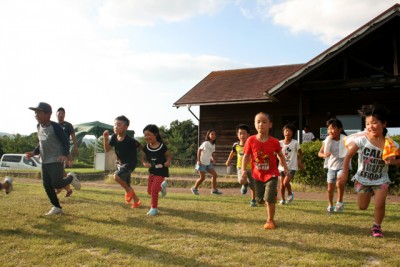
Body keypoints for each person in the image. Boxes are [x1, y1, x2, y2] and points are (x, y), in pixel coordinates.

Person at [341, 104, 396, 237]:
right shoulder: (362, 140)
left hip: (380, 179)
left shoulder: (390, 144)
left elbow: (398, 159)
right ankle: (369, 193)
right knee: (362, 206)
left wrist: (393, 161)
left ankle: (376, 227)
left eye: (374, 123)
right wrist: (345, 172)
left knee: (380, 203)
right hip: (363, 179)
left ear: (384, 124)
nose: (370, 126)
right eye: (367, 123)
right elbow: (348, 155)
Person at [25, 102, 81, 216]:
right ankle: (57, 207)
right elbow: (40, 143)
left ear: (48, 114)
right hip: (44, 161)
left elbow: (65, 141)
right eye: (35, 113)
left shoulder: (56, 127)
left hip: (56, 159)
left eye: (38, 113)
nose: (36, 115)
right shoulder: (38, 126)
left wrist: (65, 155)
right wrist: (33, 152)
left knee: (56, 183)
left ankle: (71, 177)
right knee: (47, 185)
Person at [242, 112, 289, 230]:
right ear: (254, 124)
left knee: (269, 198)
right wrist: (243, 170)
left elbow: (280, 155)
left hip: (271, 173)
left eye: (264, 122)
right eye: (258, 122)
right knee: (259, 199)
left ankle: (270, 220)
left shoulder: (274, 142)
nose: (261, 124)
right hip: (256, 175)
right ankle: (271, 196)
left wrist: (286, 168)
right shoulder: (251, 140)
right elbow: (246, 156)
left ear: (270, 125)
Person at [103, 115, 141, 209]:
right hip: (121, 164)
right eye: (115, 125)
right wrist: (105, 139)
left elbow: (142, 147)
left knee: (116, 176)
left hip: (130, 164)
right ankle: (136, 201)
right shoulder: (114, 137)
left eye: (119, 125)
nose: (115, 127)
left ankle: (128, 191)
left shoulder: (130, 140)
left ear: (126, 127)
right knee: (126, 184)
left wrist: (145, 158)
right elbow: (107, 149)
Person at [318, 118, 348, 213]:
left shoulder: (346, 140)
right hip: (331, 167)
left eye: (333, 128)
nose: (330, 131)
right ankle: (330, 204)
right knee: (330, 189)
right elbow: (320, 153)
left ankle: (339, 202)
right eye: (328, 128)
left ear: (340, 129)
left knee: (339, 183)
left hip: (342, 167)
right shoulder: (327, 140)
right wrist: (324, 155)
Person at [141, 124, 172, 216]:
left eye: (149, 135)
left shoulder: (162, 146)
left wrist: (168, 161)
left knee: (154, 190)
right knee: (150, 191)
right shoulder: (146, 147)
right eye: (145, 135)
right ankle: (162, 188)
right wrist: (144, 163)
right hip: (152, 171)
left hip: (161, 171)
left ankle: (154, 209)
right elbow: (142, 158)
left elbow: (169, 156)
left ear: (155, 134)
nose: (146, 137)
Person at [225, 124, 256, 207]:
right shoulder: (236, 145)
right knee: (241, 181)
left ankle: (253, 200)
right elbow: (233, 153)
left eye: (244, 133)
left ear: (248, 135)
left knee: (253, 185)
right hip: (240, 167)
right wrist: (228, 160)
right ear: (237, 135)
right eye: (240, 133)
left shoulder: (251, 144)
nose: (242, 135)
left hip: (251, 168)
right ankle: (245, 184)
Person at [55, 107, 78, 197]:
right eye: (59, 113)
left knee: (60, 169)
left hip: (64, 150)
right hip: (55, 151)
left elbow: (73, 136)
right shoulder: (54, 125)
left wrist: (75, 147)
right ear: (56, 114)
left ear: (64, 115)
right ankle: (67, 187)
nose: (61, 115)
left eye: (62, 113)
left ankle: (66, 184)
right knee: (60, 170)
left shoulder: (68, 125)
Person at [278, 124, 304, 205]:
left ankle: (290, 193)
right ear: (283, 132)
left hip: (292, 167)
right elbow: (277, 154)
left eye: (289, 131)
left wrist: (299, 161)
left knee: (286, 183)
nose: (287, 132)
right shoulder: (280, 143)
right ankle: (282, 200)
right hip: (281, 167)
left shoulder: (295, 143)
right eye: (286, 130)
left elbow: (300, 153)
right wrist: (280, 160)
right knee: (281, 185)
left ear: (293, 133)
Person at [191, 129, 222, 195]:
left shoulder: (213, 144)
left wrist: (212, 158)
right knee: (202, 178)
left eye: (214, 134)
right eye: (212, 134)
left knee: (215, 175)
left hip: (208, 163)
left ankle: (214, 190)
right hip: (201, 162)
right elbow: (199, 150)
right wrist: (198, 160)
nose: (213, 136)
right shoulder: (206, 143)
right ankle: (194, 188)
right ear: (208, 135)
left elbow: (210, 153)